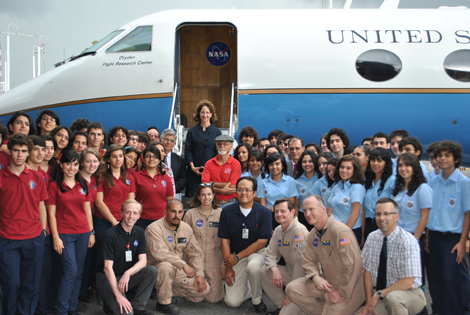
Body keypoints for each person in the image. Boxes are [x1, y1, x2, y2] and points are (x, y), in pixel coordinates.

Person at [285, 195, 365, 315]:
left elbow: (354, 266)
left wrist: (341, 292)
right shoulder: (313, 235)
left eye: (311, 209)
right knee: (292, 289)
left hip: (351, 287)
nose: (307, 214)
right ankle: (329, 309)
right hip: (328, 283)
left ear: (323, 209)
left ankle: (347, 309)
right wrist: (316, 277)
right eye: (305, 210)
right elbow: (308, 261)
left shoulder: (340, 231)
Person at [0, 133, 47, 315]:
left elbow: (42, 206)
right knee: (11, 284)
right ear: (10, 151)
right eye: (16, 150)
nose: (20, 155)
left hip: (34, 239)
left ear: (28, 153)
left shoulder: (37, 177)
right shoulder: (1, 177)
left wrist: (43, 230)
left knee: (30, 285)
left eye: (24, 151)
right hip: (7, 240)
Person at [46, 150, 95, 315]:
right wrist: (55, 237)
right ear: (61, 165)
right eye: (68, 163)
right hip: (64, 234)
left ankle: (72, 308)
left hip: (83, 233)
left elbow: (88, 211)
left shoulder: (83, 185)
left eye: (75, 164)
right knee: (70, 271)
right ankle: (61, 309)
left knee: (78, 272)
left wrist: (91, 232)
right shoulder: (54, 186)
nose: (71, 168)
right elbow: (51, 214)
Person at [359, 198, 426, 315]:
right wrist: (368, 302)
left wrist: (379, 294)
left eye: (386, 214)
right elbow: (367, 272)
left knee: (393, 299)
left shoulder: (407, 241)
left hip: (409, 294)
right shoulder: (372, 237)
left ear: (396, 217)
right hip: (382, 295)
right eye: (378, 214)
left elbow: (408, 282)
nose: (382, 218)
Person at [426, 140, 470, 315]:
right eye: (439, 155)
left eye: (447, 155)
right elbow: (430, 211)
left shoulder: (463, 183)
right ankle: (438, 310)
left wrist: (463, 240)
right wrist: (428, 237)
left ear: (456, 159)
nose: (442, 159)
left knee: (451, 279)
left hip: (452, 238)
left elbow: (468, 214)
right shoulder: (433, 182)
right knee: (435, 278)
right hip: (434, 236)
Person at [146, 199, 210, 314]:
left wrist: (199, 274)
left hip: (177, 270)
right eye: (173, 211)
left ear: (183, 213)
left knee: (203, 292)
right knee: (165, 266)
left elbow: (195, 253)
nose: (177, 215)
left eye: (180, 212)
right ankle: (164, 303)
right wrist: (184, 264)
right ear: (165, 212)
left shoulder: (186, 228)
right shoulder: (154, 228)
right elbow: (160, 253)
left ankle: (167, 291)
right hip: (156, 269)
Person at [218, 177, 272, 312]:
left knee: (253, 267)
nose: (243, 193)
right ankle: (252, 284)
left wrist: (237, 258)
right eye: (240, 189)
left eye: (248, 190)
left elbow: (262, 242)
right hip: (235, 256)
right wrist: (228, 266)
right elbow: (225, 240)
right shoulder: (227, 211)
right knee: (232, 302)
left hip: (257, 253)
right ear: (235, 192)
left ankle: (257, 300)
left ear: (254, 193)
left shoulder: (264, 212)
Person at [96, 199, 158, 315]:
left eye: (135, 213)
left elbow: (143, 261)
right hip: (108, 279)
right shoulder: (110, 234)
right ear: (121, 213)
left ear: (139, 216)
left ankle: (138, 307)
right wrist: (118, 296)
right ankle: (110, 301)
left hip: (125, 278)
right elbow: (107, 268)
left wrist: (128, 273)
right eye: (128, 212)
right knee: (127, 314)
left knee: (152, 271)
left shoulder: (139, 232)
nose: (131, 216)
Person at [260, 199, 308, 315]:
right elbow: (270, 254)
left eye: (283, 211)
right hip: (290, 271)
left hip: (304, 279)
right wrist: (274, 269)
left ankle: (295, 304)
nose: (279, 214)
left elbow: (300, 265)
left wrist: (290, 293)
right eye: (276, 212)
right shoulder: (278, 230)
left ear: (292, 212)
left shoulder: (299, 231)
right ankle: (282, 305)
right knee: (264, 271)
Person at [391, 152, 431, 289]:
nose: (403, 168)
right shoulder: (398, 189)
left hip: (414, 239)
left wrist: (414, 241)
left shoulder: (423, 188)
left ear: (415, 167)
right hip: (398, 238)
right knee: (399, 276)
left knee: (414, 280)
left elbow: (425, 217)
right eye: (400, 165)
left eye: (407, 165)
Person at [183, 183, 224, 303]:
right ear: (198, 197)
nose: (206, 198)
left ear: (214, 195)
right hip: (195, 259)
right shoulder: (190, 214)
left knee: (213, 299)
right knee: (195, 298)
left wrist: (223, 264)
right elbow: (184, 240)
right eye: (203, 195)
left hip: (214, 257)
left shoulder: (221, 214)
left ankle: (219, 286)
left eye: (209, 194)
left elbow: (226, 240)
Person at [184, 99, 222, 198]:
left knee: (208, 198)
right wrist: (192, 167)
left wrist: (212, 168)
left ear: (211, 114)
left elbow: (218, 152)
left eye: (207, 112)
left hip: (211, 172)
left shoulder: (217, 132)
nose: (204, 115)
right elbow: (188, 150)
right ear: (199, 114)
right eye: (202, 112)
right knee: (194, 198)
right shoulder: (192, 131)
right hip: (194, 171)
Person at [134, 146, 174, 230]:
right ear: (143, 160)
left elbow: (170, 200)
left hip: (162, 220)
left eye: (155, 156)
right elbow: (132, 200)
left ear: (159, 160)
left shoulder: (166, 177)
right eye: (148, 156)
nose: (151, 159)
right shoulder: (136, 177)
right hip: (141, 220)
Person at [328, 155, 365, 242]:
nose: (344, 170)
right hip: (334, 230)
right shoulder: (337, 187)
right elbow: (330, 210)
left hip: (350, 231)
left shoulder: (357, 188)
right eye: (342, 167)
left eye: (348, 168)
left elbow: (355, 215)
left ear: (354, 171)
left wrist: (343, 233)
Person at [363, 148, 395, 243]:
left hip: (385, 224)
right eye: (373, 160)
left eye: (380, 160)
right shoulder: (367, 181)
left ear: (386, 163)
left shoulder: (392, 181)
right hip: (368, 224)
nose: (375, 164)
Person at [259, 153, 298, 229]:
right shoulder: (263, 183)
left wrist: (272, 209)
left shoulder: (290, 181)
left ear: (282, 165)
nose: (274, 167)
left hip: (286, 217)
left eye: (277, 164)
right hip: (269, 217)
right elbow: (262, 205)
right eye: (271, 164)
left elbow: (291, 202)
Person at [201, 135, 241, 208]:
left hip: (230, 203)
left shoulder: (236, 164)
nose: (222, 146)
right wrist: (222, 191)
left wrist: (212, 183)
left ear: (231, 146)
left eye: (225, 144)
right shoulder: (209, 163)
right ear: (216, 147)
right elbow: (205, 186)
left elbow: (232, 187)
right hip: (212, 203)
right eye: (219, 144)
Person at [294, 150, 320, 229]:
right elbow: (296, 205)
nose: (307, 164)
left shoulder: (322, 179)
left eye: (310, 161)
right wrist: (295, 222)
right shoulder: (297, 182)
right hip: (304, 216)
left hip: (320, 216)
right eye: (304, 162)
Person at [161, 128, 187, 195]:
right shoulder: (155, 157)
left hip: (174, 192)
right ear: (161, 140)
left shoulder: (180, 160)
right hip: (158, 191)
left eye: (172, 141)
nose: (168, 142)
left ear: (174, 143)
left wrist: (172, 188)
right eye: (166, 139)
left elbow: (183, 179)